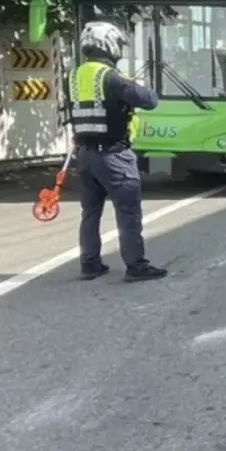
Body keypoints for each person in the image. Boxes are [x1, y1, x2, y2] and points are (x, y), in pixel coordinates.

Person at [69, 21, 167, 282]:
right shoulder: (111, 77)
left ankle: (90, 264)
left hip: (85, 155)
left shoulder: (74, 76)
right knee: (128, 211)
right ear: (108, 45)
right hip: (113, 155)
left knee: (90, 212)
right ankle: (136, 266)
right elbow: (149, 100)